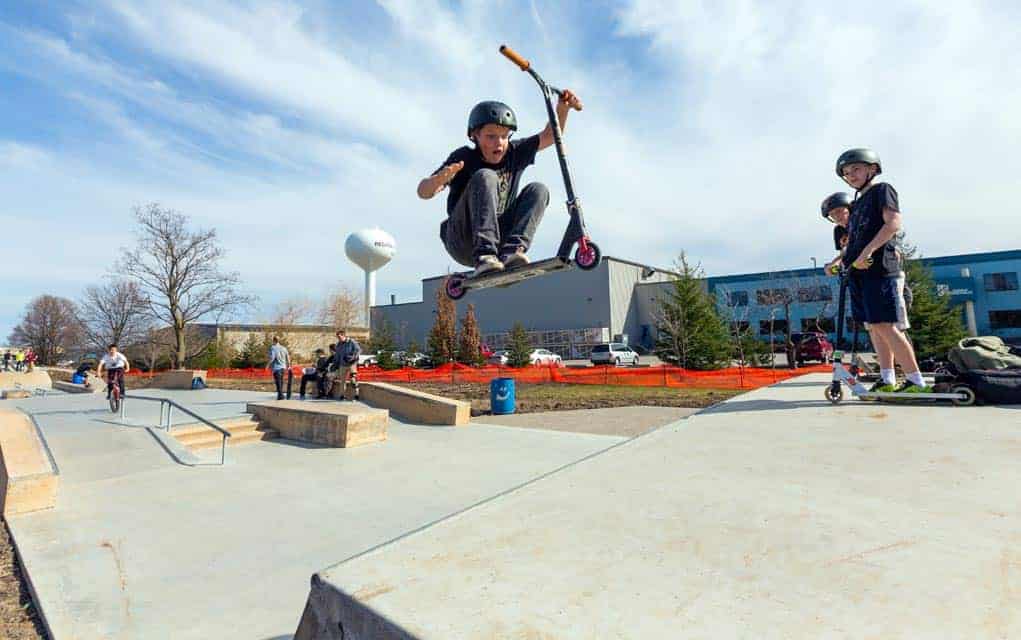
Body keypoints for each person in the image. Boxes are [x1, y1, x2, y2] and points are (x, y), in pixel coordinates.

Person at [417, 89, 584, 277]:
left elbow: (551, 136)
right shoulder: (464, 157)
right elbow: (423, 192)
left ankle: (512, 252)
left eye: (504, 136)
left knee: (539, 190)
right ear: (475, 136)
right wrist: (439, 179)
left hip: (499, 237)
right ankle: (484, 256)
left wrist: (562, 109)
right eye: (491, 136)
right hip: (462, 239)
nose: (499, 143)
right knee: (486, 176)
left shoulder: (515, 151)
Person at [837, 148, 927, 393]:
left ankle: (916, 380)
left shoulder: (882, 190)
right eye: (846, 172)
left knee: (887, 325)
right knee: (875, 327)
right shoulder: (856, 204)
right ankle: (887, 378)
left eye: (856, 168)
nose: (851, 174)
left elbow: (893, 224)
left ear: (872, 168)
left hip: (878, 270)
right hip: (858, 273)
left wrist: (868, 253)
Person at [328, 330, 361, 401]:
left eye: (339, 337)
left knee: (353, 379)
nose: (339, 338)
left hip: (352, 363)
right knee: (342, 381)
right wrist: (335, 364)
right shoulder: (339, 344)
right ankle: (342, 395)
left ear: (343, 335)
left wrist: (353, 357)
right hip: (343, 364)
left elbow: (358, 350)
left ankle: (356, 394)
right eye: (337, 337)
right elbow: (337, 355)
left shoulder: (351, 342)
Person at [266, 336, 290, 400]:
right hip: (283, 367)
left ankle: (281, 395)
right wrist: (288, 365)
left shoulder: (273, 348)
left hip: (277, 368)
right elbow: (287, 357)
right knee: (281, 381)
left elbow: (272, 358)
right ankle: (280, 395)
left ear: (274, 340)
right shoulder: (284, 348)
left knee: (278, 382)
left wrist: (267, 365)